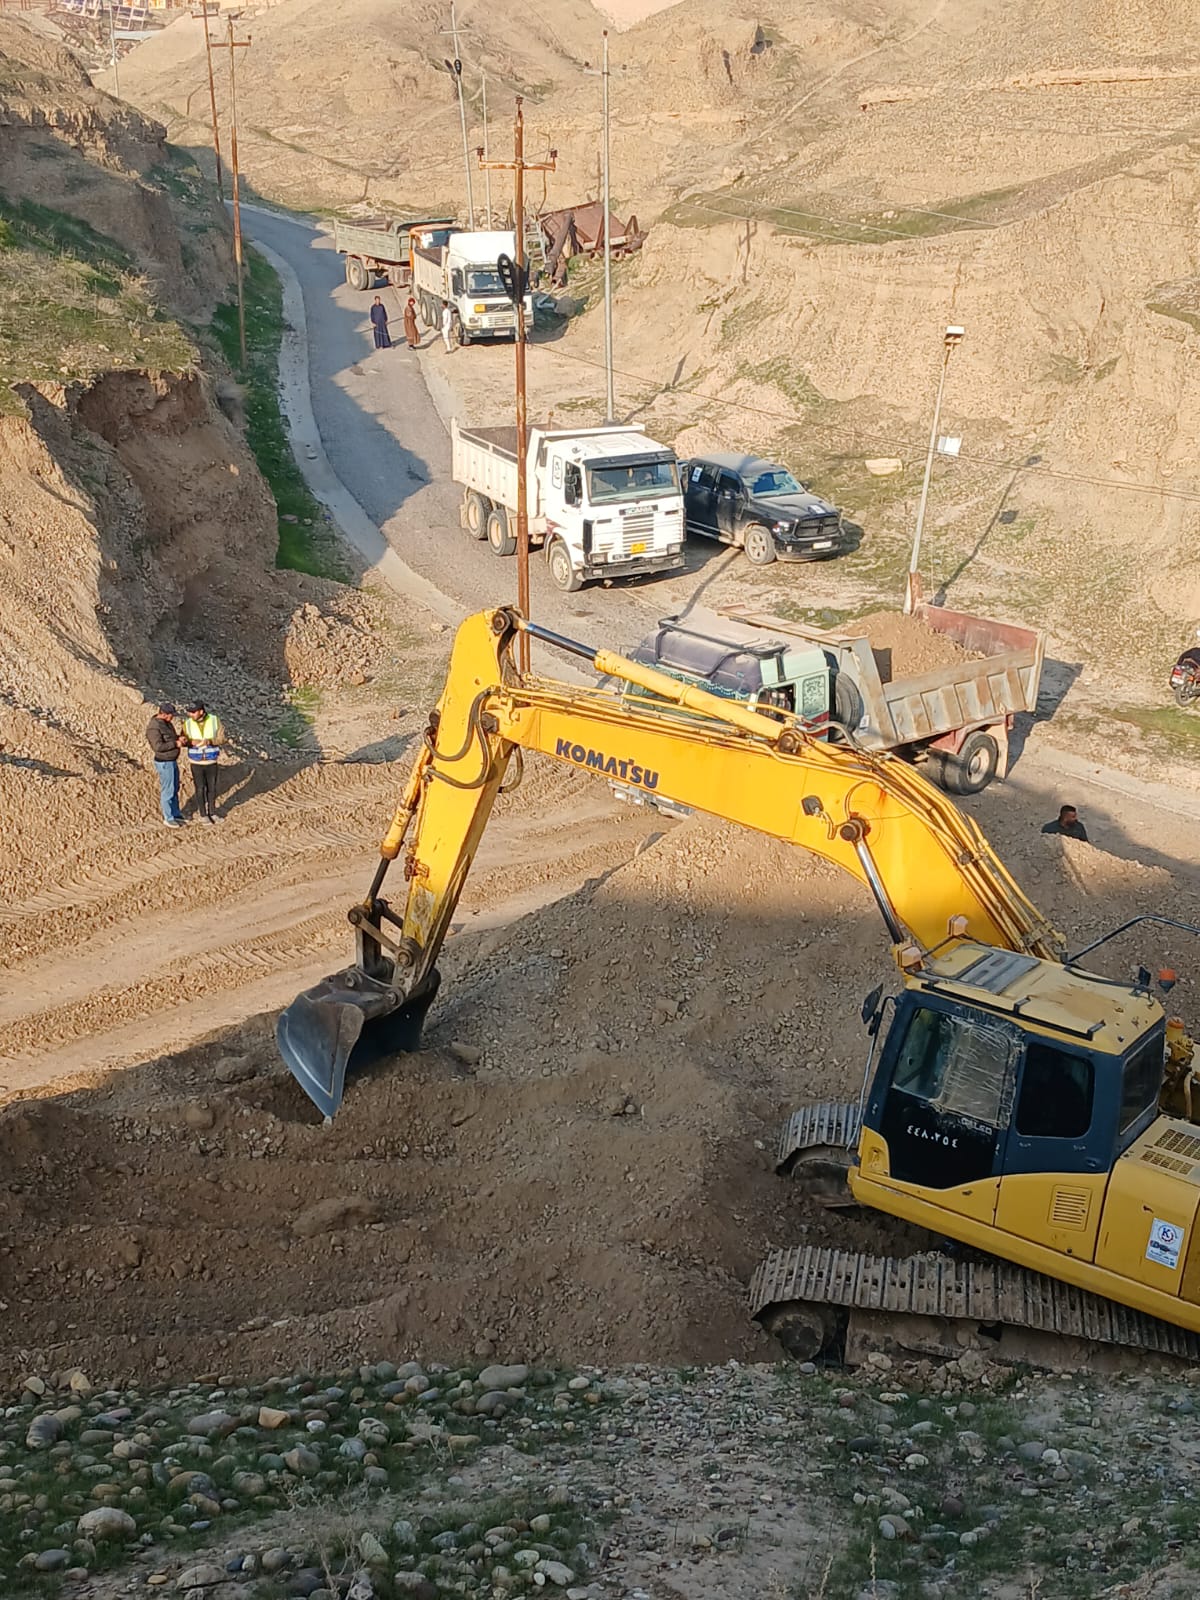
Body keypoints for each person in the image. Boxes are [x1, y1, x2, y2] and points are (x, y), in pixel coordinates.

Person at [182, 699, 226, 823]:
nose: (190, 715)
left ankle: (212, 812)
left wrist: (210, 741)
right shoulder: (187, 724)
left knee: (211, 788)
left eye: (193, 712)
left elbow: (222, 738)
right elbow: (183, 739)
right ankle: (203, 814)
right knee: (200, 788)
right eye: (189, 712)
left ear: (201, 711)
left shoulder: (214, 720)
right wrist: (190, 742)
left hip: (211, 760)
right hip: (196, 761)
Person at [146, 702, 185, 827]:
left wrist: (179, 739)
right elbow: (158, 747)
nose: (172, 717)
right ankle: (168, 817)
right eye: (171, 715)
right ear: (163, 714)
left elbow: (169, 738)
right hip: (164, 762)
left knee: (174, 788)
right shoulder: (154, 727)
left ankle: (176, 814)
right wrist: (175, 744)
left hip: (171, 761)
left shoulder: (166, 723)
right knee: (168, 790)